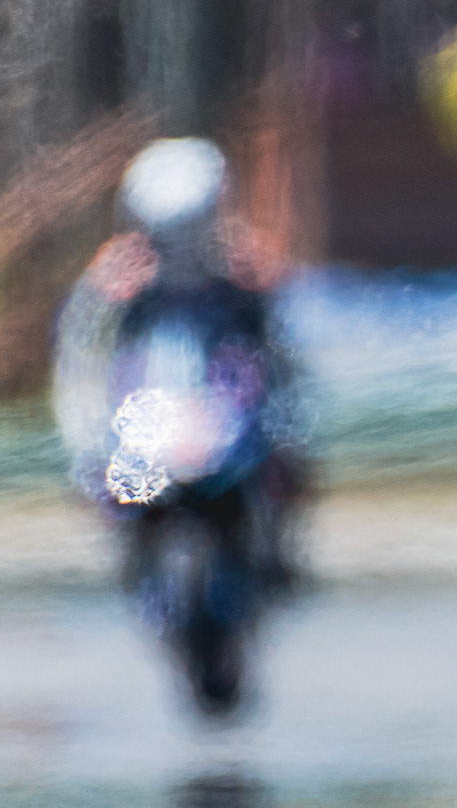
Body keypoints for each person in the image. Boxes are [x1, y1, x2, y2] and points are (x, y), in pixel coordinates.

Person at [56, 136, 306, 564]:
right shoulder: (115, 280)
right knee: (117, 487)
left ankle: (273, 555)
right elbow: (80, 365)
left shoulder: (246, 271)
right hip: (149, 424)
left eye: (192, 227)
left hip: (228, 423)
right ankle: (136, 553)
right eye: (169, 231)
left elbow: (285, 353)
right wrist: (87, 450)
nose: (180, 244)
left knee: (278, 477)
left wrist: (289, 436)